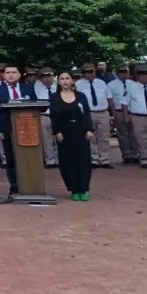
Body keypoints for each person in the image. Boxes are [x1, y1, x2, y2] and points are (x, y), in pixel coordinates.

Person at [0, 65, 35, 195]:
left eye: (14, 72)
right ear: (3, 76)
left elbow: (35, 106)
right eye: (7, 72)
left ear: (19, 75)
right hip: (7, 128)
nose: (10, 75)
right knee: (11, 158)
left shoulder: (28, 88)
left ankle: (30, 184)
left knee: (28, 157)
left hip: (27, 128)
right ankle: (14, 186)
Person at [49, 72, 95, 201]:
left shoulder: (81, 96)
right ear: (58, 82)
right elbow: (54, 116)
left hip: (80, 132)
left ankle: (84, 188)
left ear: (72, 81)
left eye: (67, 78)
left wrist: (88, 129)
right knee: (67, 161)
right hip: (64, 133)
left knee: (83, 160)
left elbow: (86, 113)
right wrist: (57, 131)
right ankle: (73, 189)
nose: (65, 81)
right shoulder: (54, 97)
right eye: (62, 79)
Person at [77, 64, 114, 169]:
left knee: (104, 137)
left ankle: (104, 159)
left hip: (103, 112)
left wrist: (112, 113)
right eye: (86, 72)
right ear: (83, 73)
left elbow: (109, 98)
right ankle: (93, 160)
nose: (89, 74)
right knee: (90, 137)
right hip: (88, 113)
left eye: (91, 71)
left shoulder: (101, 83)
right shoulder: (78, 84)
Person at [110, 65, 137, 164]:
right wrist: (114, 114)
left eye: (125, 72)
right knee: (122, 135)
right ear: (117, 73)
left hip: (133, 111)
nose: (123, 74)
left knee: (134, 134)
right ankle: (126, 155)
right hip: (119, 112)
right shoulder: (111, 85)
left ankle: (135, 154)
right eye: (121, 72)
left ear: (128, 73)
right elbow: (110, 100)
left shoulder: (134, 84)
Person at [126, 67, 147, 168]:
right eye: (143, 75)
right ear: (138, 77)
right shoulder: (132, 87)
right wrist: (126, 116)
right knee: (142, 139)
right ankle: (145, 159)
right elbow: (125, 103)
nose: (146, 77)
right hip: (139, 116)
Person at [34, 68, 59, 168]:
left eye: (49, 76)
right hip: (44, 116)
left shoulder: (59, 87)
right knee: (46, 140)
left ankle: (59, 159)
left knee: (59, 138)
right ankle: (50, 160)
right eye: (44, 76)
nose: (47, 78)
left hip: (58, 116)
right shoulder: (36, 87)